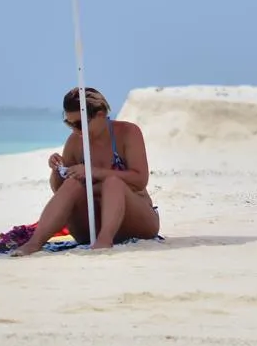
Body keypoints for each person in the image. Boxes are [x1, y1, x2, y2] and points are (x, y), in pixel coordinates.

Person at [10, 87, 160, 255]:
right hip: (90, 226)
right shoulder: (75, 142)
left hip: (135, 220)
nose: (75, 130)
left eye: (80, 124)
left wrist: (92, 172)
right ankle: (35, 243)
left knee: (113, 183)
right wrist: (57, 170)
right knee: (72, 184)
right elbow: (60, 190)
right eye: (69, 124)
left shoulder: (127, 133)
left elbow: (140, 180)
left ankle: (105, 240)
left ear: (101, 115)